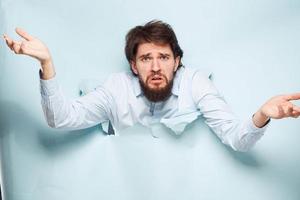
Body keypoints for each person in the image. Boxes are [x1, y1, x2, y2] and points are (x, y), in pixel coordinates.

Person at [3, 20, 300, 152]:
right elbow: (61, 119)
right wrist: (47, 64)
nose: (156, 67)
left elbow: (237, 139)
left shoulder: (195, 83)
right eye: (146, 58)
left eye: (164, 57)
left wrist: (262, 114)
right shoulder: (116, 88)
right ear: (134, 65)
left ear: (177, 61)